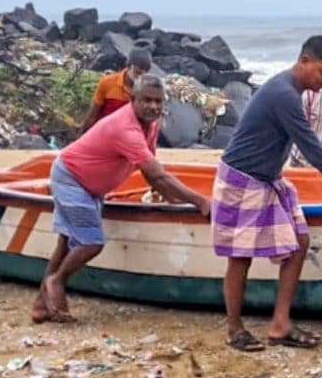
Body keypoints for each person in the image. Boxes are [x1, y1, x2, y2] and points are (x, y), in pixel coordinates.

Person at [213, 36, 322, 352]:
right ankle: (234, 328)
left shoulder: (293, 91)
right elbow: (314, 151)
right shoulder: (283, 94)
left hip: (270, 179)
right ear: (304, 61)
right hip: (242, 180)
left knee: (299, 241)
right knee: (240, 257)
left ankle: (280, 322)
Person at [32, 74, 211, 323]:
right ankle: (57, 280)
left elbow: (151, 166)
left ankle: (41, 306)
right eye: (147, 100)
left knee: (66, 242)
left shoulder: (152, 122)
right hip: (72, 178)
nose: (154, 107)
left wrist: (168, 196)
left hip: (89, 183)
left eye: (158, 101)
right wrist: (200, 201)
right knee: (91, 242)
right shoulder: (125, 128)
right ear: (133, 99)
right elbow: (156, 173)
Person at [78, 48, 153, 134]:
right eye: (139, 69)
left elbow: (146, 125)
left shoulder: (147, 90)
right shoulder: (108, 82)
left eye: (146, 70)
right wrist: (81, 137)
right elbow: (93, 114)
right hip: (103, 133)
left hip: (128, 137)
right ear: (129, 66)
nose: (142, 73)